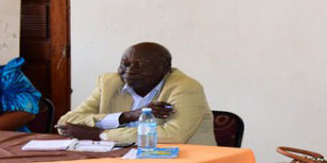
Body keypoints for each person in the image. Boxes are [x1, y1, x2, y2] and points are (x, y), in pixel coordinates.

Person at [56, 42, 216, 145]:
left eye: (139, 66)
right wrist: (126, 116)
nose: (129, 71)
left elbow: (173, 136)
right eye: (124, 64)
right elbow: (66, 123)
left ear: (164, 68)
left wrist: (101, 134)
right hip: (121, 159)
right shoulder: (109, 83)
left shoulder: (185, 88)